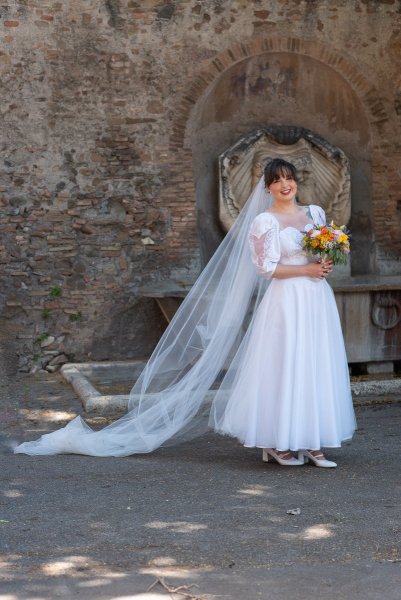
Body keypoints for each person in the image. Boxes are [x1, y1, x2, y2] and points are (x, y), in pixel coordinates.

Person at [14, 158, 356, 463]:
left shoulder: (315, 214)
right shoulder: (264, 222)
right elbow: (265, 269)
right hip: (286, 301)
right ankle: (278, 442)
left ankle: (313, 441)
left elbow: (319, 254)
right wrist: (305, 271)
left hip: (315, 299)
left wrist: (323, 263)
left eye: (289, 178)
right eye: (278, 180)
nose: (286, 184)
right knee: (285, 367)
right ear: (268, 187)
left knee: (315, 364)